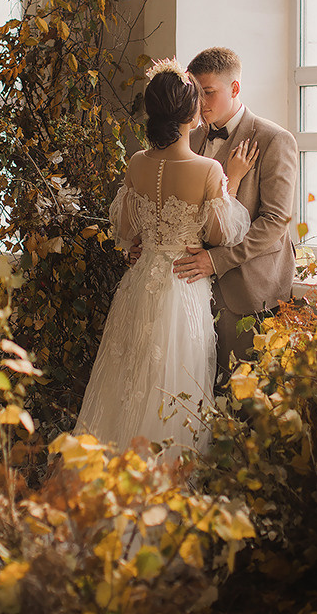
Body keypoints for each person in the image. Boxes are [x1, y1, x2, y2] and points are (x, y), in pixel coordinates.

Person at [73, 58, 254, 453]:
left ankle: (115, 471)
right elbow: (223, 233)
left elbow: (126, 228)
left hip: (139, 283)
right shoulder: (208, 169)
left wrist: (144, 242)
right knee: (172, 382)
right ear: (190, 114)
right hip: (182, 287)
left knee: (127, 378)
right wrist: (233, 179)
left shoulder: (137, 162)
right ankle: (164, 481)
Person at [172, 47, 298, 385]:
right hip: (192, 290)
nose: (200, 103)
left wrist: (216, 261)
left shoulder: (275, 140)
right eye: (195, 93)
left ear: (235, 88)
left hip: (250, 289)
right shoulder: (191, 137)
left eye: (209, 92)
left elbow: (275, 221)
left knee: (243, 395)